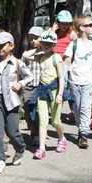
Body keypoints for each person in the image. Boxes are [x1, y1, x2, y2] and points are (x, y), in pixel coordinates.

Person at [0, 32, 34, 173]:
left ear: (11, 45)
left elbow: (30, 76)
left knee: (12, 132)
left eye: (2, 45)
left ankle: (20, 148)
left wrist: (20, 84)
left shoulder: (17, 63)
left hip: (11, 102)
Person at [63, 15, 92, 148]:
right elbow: (67, 63)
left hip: (89, 82)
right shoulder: (74, 44)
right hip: (75, 81)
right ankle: (81, 127)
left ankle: (83, 134)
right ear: (82, 28)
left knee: (86, 108)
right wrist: (63, 79)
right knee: (76, 108)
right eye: (90, 25)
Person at [29, 30, 67, 158]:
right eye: (44, 43)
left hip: (54, 90)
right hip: (42, 90)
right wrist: (37, 48)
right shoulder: (40, 56)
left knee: (56, 121)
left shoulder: (56, 58)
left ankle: (62, 138)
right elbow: (25, 55)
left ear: (54, 45)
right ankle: (41, 148)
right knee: (43, 120)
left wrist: (60, 94)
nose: (46, 46)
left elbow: (61, 77)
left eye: (49, 44)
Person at [21, 26, 44, 143]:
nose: (33, 41)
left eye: (36, 38)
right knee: (28, 107)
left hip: (41, 85)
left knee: (39, 110)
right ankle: (32, 127)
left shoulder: (46, 52)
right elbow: (21, 67)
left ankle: (37, 134)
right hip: (28, 86)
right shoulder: (27, 53)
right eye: (31, 38)